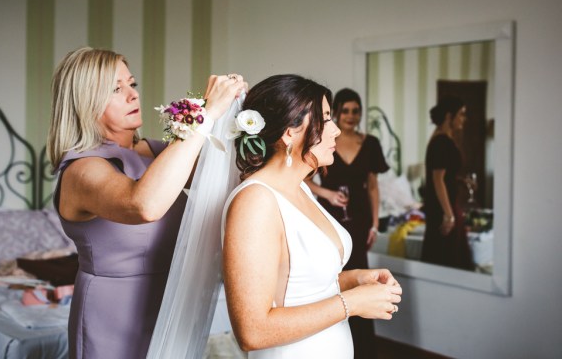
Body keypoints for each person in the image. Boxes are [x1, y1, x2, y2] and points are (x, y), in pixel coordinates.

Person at [46, 47, 246, 359]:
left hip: (169, 307)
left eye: (132, 84)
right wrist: (206, 114)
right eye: (115, 88)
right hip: (112, 316)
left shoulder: (154, 153)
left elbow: (229, 176)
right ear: (84, 101)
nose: (132, 96)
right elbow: (145, 205)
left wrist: (241, 113)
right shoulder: (81, 171)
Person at [222, 75, 402, 358]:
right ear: (289, 132)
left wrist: (355, 279)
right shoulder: (255, 202)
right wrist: (351, 303)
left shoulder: (302, 190)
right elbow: (252, 330)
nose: (336, 131)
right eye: (326, 119)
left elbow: (302, 286)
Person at [305, 88, 389, 359]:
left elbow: (373, 187)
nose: (351, 116)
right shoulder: (322, 140)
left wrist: (375, 224)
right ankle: (332, 339)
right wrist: (328, 194)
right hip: (330, 217)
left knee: (361, 277)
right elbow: (304, 179)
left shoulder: (371, 143)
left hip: (361, 219)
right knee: (332, 274)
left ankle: (363, 348)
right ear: (337, 112)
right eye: (345, 111)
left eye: (356, 111)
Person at [420, 95, 474, 270]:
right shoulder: (441, 142)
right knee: (446, 257)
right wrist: (449, 215)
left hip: (447, 205)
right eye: (461, 114)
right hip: (443, 208)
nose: (463, 119)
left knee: (452, 255)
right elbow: (438, 179)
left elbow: (446, 174)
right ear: (449, 116)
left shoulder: (443, 140)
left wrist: (460, 180)